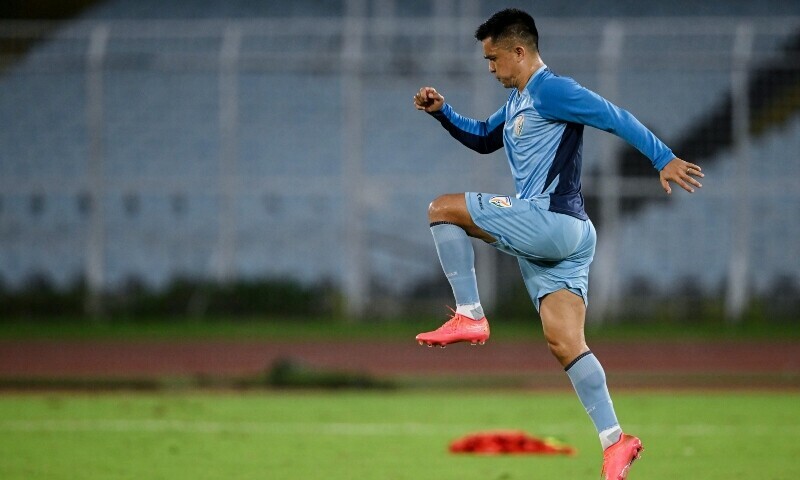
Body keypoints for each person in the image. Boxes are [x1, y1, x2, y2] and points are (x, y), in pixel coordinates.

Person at [412, 8, 703, 480]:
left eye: (493, 59)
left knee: (442, 208)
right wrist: (443, 112)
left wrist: (663, 158)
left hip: (550, 221)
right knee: (565, 342)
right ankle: (615, 441)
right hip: (570, 237)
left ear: (519, 51)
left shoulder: (553, 90)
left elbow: (614, 117)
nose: (490, 68)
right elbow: (484, 138)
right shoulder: (518, 101)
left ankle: (470, 313)